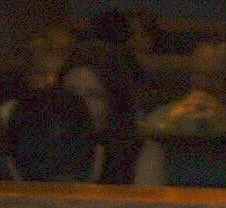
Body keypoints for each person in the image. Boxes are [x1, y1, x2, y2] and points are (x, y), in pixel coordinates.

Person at [59, 39, 166, 186]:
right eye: (72, 93)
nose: (80, 104)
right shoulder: (41, 147)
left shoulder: (144, 155)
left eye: (94, 95)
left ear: (113, 103)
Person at [139, 37, 226, 141]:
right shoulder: (164, 116)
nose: (204, 84)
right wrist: (167, 125)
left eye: (215, 76)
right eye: (198, 74)